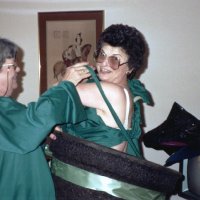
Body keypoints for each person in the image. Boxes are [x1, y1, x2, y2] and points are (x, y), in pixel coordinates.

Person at [50, 24, 166, 199]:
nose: (104, 63)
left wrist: (69, 77)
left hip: (93, 189)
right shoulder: (128, 90)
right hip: (96, 185)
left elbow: (53, 94)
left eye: (114, 59)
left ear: (130, 67)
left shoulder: (112, 93)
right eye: (102, 54)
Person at [0, 38, 90, 200]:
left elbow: (15, 148)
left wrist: (42, 137)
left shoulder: (10, 108)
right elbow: (31, 124)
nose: (18, 69)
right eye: (13, 65)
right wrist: (66, 85)